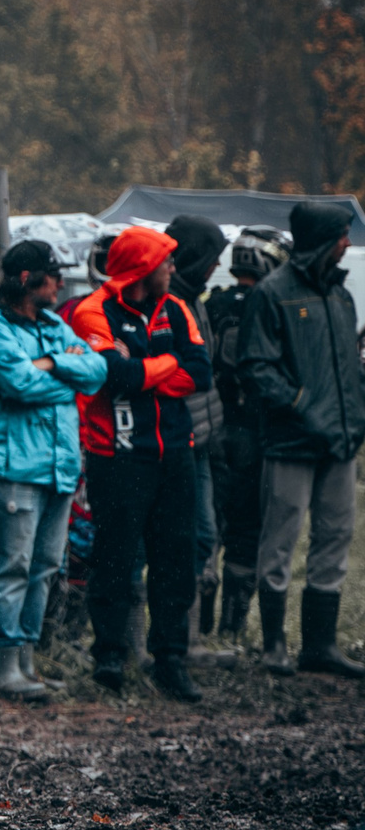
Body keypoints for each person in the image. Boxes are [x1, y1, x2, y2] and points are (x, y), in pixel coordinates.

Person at [68, 225, 213, 700]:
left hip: (175, 453)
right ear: (143, 269)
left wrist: (147, 369)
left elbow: (201, 372)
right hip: (117, 456)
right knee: (114, 556)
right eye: (165, 262)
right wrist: (165, 364)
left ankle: (170, 659)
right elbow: (113, 377)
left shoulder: (177, 308)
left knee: (176, 557)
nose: (173, 268)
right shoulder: (94, 311)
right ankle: (110, 655)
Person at [0, 239, 107, 700]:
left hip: (58, 468)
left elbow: (99, 370)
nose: (61, 283)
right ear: (27, 280)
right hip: (13, 467)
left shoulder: (52, 325)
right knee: (11, 566)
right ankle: (3, 666)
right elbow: (18, 384)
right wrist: (67, 379)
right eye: (53, 275)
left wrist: (52, 364)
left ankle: (27, 663)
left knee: (45, 566)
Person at [235, 200, 365, 678]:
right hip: (292, 442)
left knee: (335, 538)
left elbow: (349, 363)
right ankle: (273, 645)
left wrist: (357, 411)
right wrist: (304, 406)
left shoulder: (341, 296)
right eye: (341, 236)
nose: (347, 244)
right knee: (280, 541)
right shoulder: (271, 294)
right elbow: (256, 367)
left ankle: (321, 646)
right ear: (322, 241)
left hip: (341, 443)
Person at [206, 229, 286, 641]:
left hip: (213, 429)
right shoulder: (272, 306)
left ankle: (199, 627)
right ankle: (231, 631)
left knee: (210, 528)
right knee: (246, 531)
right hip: (255, 432)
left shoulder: (212, 304)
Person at [164, 215, 230, 642]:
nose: (213, 267)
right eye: (209, 258)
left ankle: (186, 638)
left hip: (203, 440)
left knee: (204, 536)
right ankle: (175, 637)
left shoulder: (195, 300)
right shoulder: (169, 304)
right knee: (186, 537)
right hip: (178, 440)